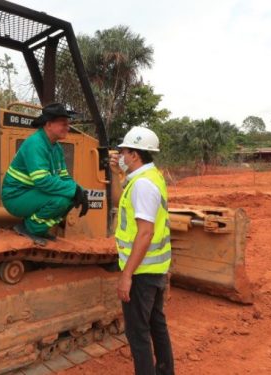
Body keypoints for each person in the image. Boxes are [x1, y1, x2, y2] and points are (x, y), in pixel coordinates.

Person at [109, 126, 174, 375]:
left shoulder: (143, 185)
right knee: (157, 323)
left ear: (135, 154)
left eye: (124, 152)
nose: (121, 156)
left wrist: (127, 275)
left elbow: (145, 232)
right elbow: (118, 201)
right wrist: (116, 174)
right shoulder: (144, 178)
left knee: (138, 332)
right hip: (154, 268)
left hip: (142, 271)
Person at [1, 102, 89, 245]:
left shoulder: (56, 147)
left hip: (31, 192)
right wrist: (74, 190)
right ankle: (29, 228)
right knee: (61, 200)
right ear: (48, 125)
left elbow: (64, 177)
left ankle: (38, 229)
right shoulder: (36, 144)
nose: (68, 128)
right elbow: (42, 180)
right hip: (15, 197)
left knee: (69, 198)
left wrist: (81, 192)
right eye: (63, 124)